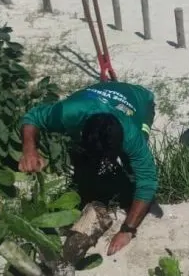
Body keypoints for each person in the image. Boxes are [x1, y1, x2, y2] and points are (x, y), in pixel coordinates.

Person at [17, 80, 158, 256]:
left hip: (141, 99)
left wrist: (127, 230)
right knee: (84, 163)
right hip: (96, 97)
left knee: (133, 169)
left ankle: (124, 189)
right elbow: (32, 117)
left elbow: (148, 180)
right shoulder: (68, 113)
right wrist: (29, 150)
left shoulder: (132, 136)